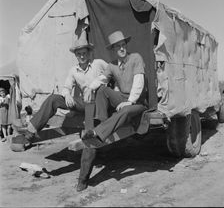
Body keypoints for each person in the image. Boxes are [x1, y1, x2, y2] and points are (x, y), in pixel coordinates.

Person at [79, 30, 148, 190]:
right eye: (118, 46)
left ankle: (97, 133)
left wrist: (130, 101)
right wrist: (90, 87)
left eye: (123, 45)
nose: (122, 48)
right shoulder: (112, 65)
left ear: (126, 46)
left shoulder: (136, 58)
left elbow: (139, 82)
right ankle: (101, 123)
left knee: (124, 111)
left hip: (137, 102)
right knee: (102, 89)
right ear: (113, 50)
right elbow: (101, 79)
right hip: (122, 98)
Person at [11, 37, 108, 147]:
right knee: (53, 99)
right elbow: (66, 87)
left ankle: (91, 141)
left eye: (84, 53)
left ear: (89, 52)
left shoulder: (98, 63)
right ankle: (30, 132)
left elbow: (112, 72)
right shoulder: (73, 71)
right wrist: (67, 95)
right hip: (84, 102)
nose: (82, 56)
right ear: (75, 55)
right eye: (79, 54)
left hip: (99, 103)